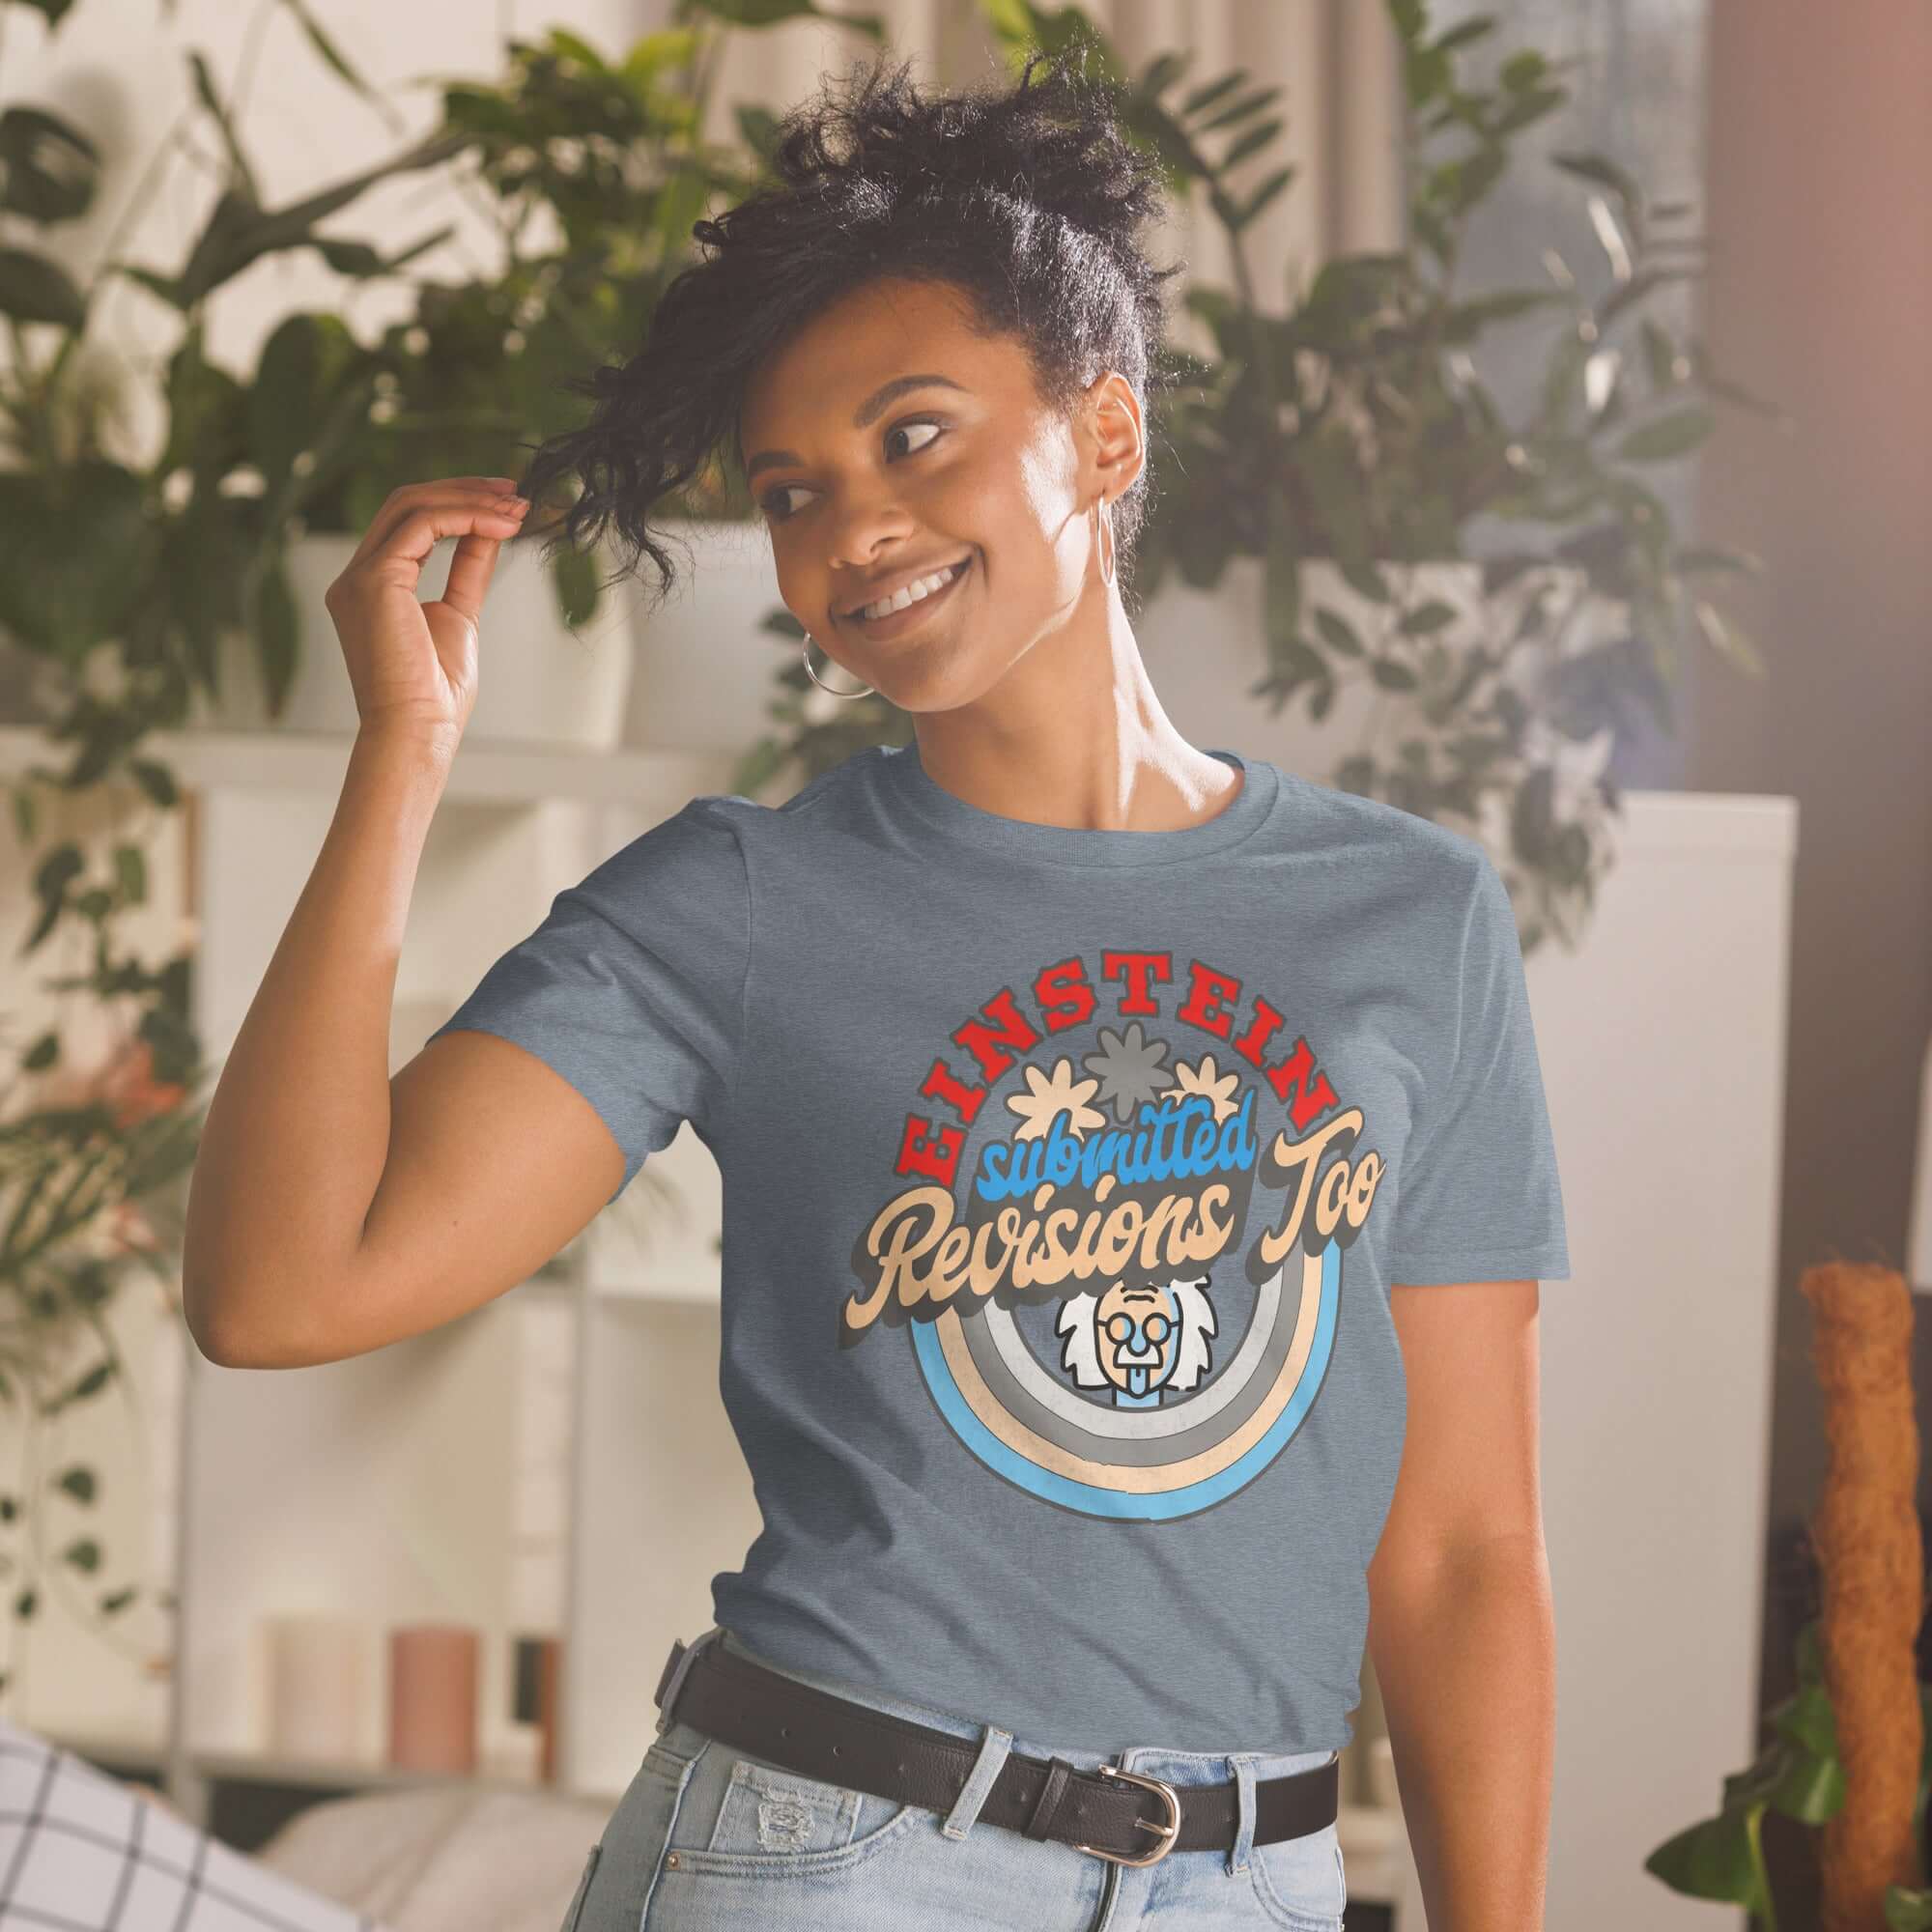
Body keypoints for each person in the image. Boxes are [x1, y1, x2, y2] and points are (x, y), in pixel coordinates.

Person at [182, 43, 1572, 1932]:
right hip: (830, 1857)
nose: (848, 534)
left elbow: (1466, 1547)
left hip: (1257, 1880)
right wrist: (403, 757)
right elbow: (280, 1288)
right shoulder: (737, 905)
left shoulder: (1407, 916)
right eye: (789, 491)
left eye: (912, 435)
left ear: (1102, 432)